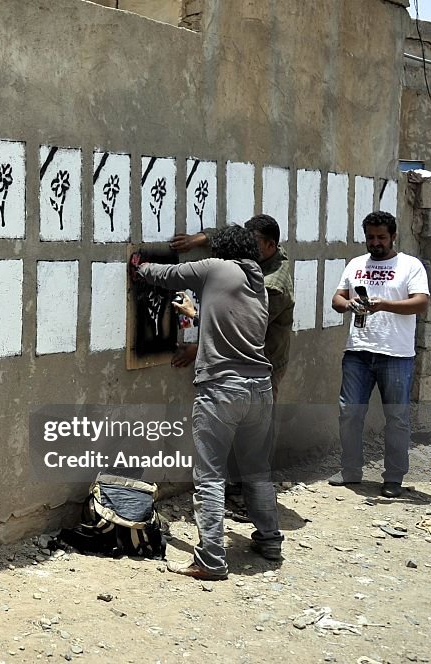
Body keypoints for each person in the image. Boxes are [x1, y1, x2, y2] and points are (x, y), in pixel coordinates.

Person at [132, 224, 283, 580]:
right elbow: (231, 323)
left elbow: (169, 274)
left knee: (210, 477)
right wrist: (198, 313)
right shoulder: (257, 281)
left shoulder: (217, 269)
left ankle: (211, 560)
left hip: (222, 389)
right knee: (257, 472)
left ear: (223, 250)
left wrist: (138, 266)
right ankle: (270, 541)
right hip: (258, 388)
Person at [329, 211, 429, 498]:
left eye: (381, 237)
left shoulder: (411, 266)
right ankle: (350, 470)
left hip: (395, 354)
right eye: (370, 237)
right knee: (349, 413)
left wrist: (384, 305)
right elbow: (337, 298)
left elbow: (421, 303)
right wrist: (349, 305)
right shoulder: (356, 264)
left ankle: (394, 478)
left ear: (393, 236)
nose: (375, 243)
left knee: (396, 417)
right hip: (358, 351)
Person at [170, 215, 294, 398]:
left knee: (257, 421)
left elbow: (241, 328)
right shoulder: (269, 252)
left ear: (270, 245)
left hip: (262, 366)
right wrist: (198, 239)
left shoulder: (272, 287)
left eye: (254, 242)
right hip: (239, 363)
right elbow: (232, 238)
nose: (247, 245)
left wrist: (198, 350)